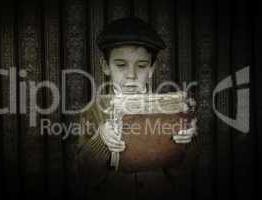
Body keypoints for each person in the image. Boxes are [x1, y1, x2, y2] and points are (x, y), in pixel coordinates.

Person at [77, 17, 199, 200]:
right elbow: (85, 175)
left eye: (141, 66)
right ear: (105, 66)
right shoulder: (93, 111)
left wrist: (186, 143)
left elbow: (185, 175)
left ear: (151, 68)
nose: (131, 76)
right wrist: (101, 139)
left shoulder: (171, 109)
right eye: (120, 65)